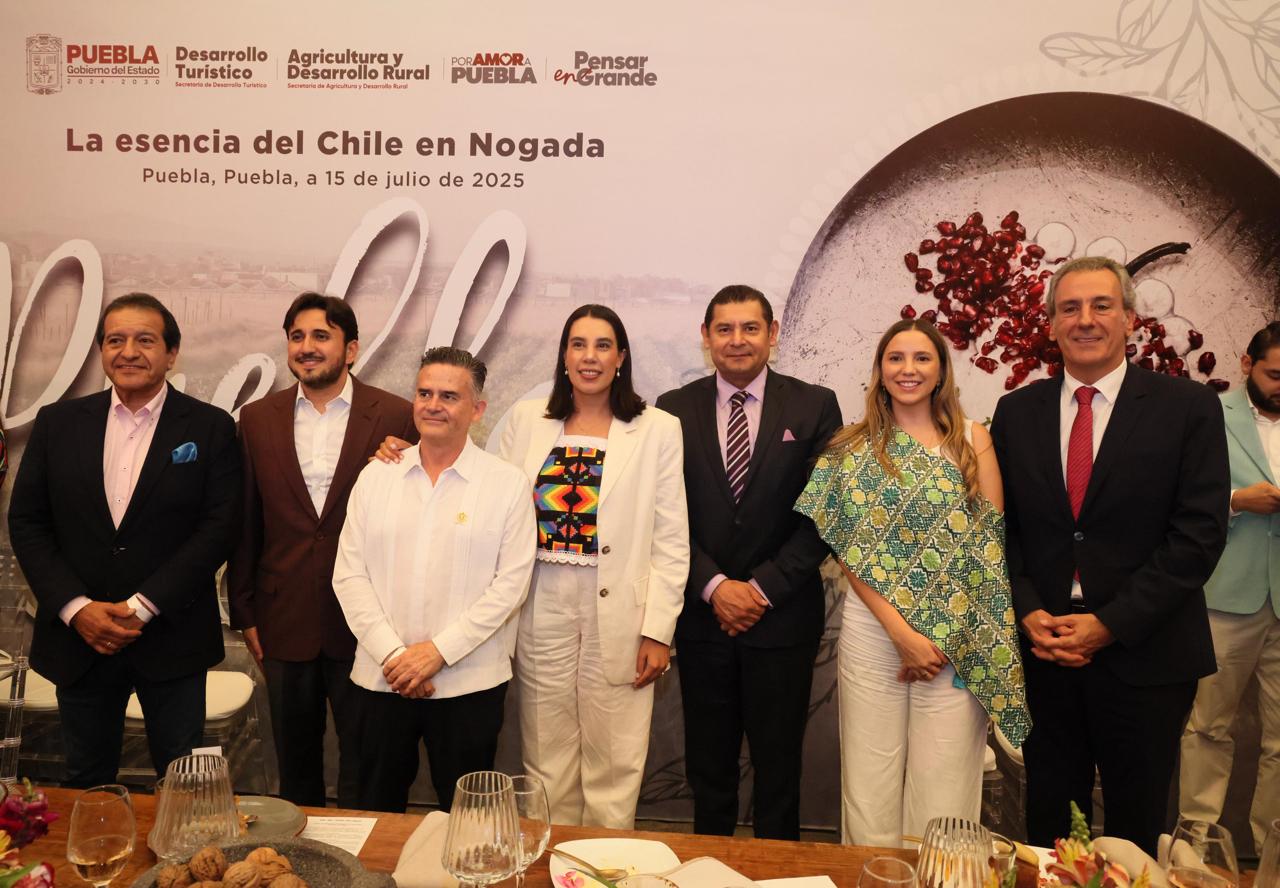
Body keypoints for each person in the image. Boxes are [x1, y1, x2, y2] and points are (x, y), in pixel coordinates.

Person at [989, 255, 1229, 855]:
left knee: (1135, 837)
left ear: (1129, 319)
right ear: (1051, 324)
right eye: (1069, 308)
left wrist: (1110, 624)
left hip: (1147, 655)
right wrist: (1027, 610)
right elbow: (1000, 529)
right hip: (1045, 654)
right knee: (1050, 831)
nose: (1085, 320)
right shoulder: (1017, 412)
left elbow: (1198, 536)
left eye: (1101, 306)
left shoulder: (1188, 407)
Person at [794, 318, 1029, 846]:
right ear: (879, 370)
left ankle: (940, 877)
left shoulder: (972, 440)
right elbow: (847, 551)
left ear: (941, 370)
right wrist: (901, 633)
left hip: (954, 636)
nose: (908, 369)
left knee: (946, 782)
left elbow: (988, 550)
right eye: (895, 358)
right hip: (874, 629)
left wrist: (944, 633)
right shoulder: (851, 447)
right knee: (869, 778)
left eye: (922, 358)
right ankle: (871, 877)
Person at [8, 292, 240, 785]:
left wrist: (144, 605)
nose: (128, 352)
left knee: (183, 784)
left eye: (145, 340)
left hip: (172, 637)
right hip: (81, 640)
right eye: (115, 340)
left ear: (171, 354)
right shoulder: (58, 423)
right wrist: (76, 608)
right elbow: (27, 521)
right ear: (101, 351)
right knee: (87, 781)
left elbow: (219, 528)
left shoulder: (210, 427)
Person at [654, 285, 842, 840]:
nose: (737, 340)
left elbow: (826, 512)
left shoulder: (814, 405)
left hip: (782, 620)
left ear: (773, 333)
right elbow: (662, 515)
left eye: (750, 328)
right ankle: (707, 869)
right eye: (725, 329)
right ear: (706, 336)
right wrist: (714, 585)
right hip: (702, 620)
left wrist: (759, 590)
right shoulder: (672, 409)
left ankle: (777, 871)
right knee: (708, 769)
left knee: (779, 770)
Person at [228, 293, 414, 808]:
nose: (306, 347)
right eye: (297, 336)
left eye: (321, 336)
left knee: (368, 765)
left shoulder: (396, 416)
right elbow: (246, 522)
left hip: (369, 622)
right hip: (282, 617)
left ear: (350, 349)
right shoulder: (256, 419)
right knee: (296, 768)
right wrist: (245, 611)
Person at [332, 347, 534, 813]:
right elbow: (349, 575)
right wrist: (396, 656)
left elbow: (510, 585)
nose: (433, 405)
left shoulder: (506, 484)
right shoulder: (376, 477)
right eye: (424, 393)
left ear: (477, 410)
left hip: (469, 683)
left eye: (449, 396)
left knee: (469, 823)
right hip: (382, 679)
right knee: (374, 813)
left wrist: (437, 652)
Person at [1180, 320, 1280, 852]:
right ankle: (1195, 846)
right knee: (1208, 727)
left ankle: (1271, 854)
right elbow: (1178, 498)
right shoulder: (1210, 416)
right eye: (1275, 375)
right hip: (1226, 595)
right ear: (1247, 365)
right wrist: (1238, 501)